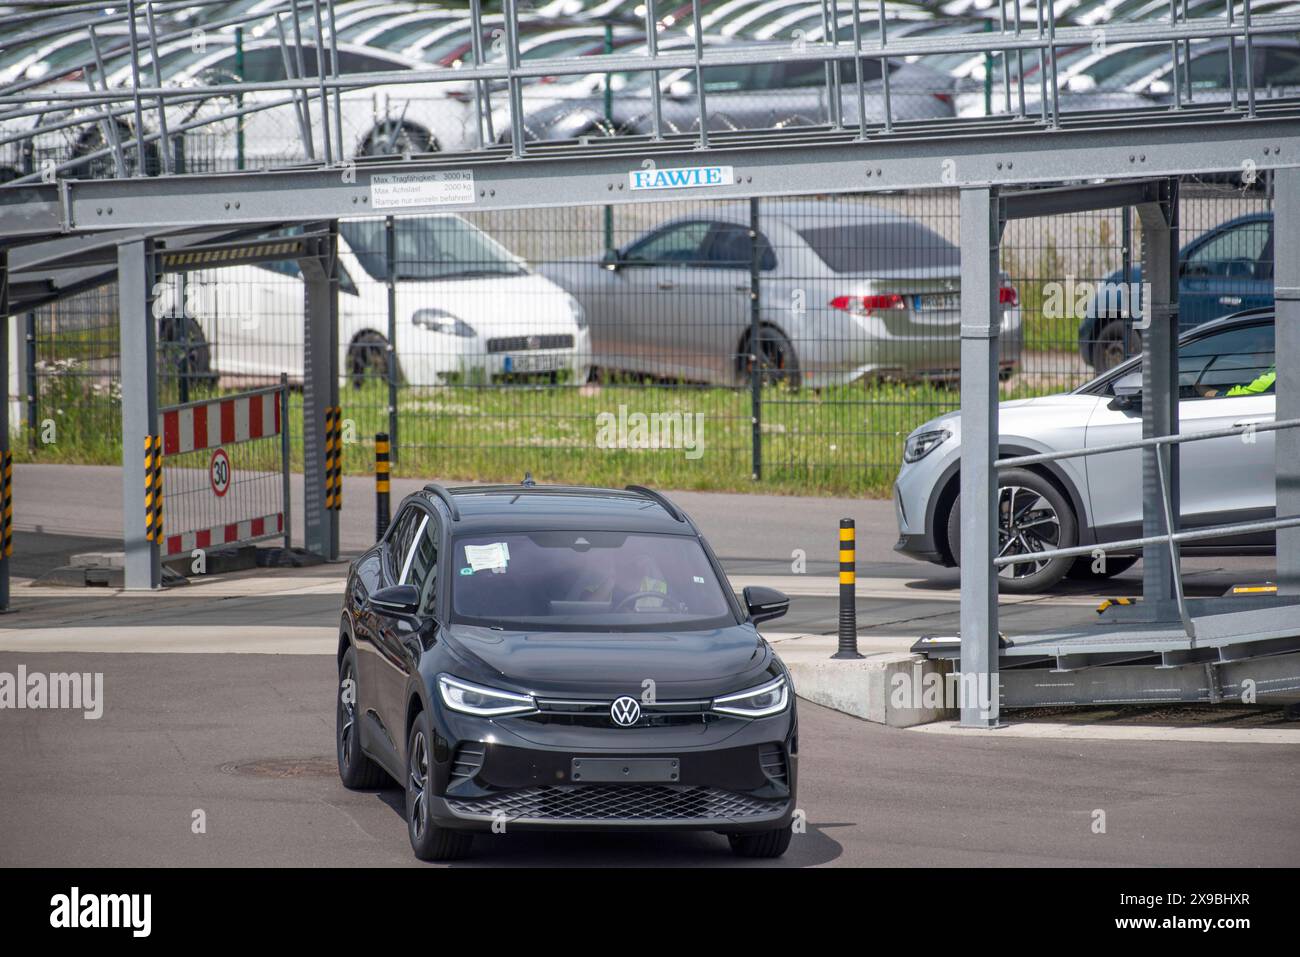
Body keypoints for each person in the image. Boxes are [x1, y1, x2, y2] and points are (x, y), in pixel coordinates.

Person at [1201, 366, 1275, 398]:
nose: (1253, 355)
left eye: (1260, 347)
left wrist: (1196, 385)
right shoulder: (1272, 370)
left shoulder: (1270, 378)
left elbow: (1227, 396)